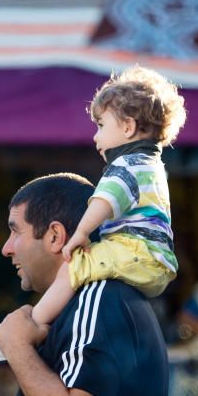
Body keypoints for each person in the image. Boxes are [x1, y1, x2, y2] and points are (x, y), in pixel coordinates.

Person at [0, 173, 170, 396]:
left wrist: (17, 346)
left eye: (15, 232)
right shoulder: (86, 299)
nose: (7, 248)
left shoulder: (100, 297)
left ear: (54, 236)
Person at [29, 66, 186, 331]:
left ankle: (34, 324)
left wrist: (82, 232)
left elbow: (105, 198)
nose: (95, 136)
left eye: (101, 125)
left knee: (73, 267)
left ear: (128, 127)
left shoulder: (127, 164)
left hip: (135, 251)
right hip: (156, 261)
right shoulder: (152, 165)